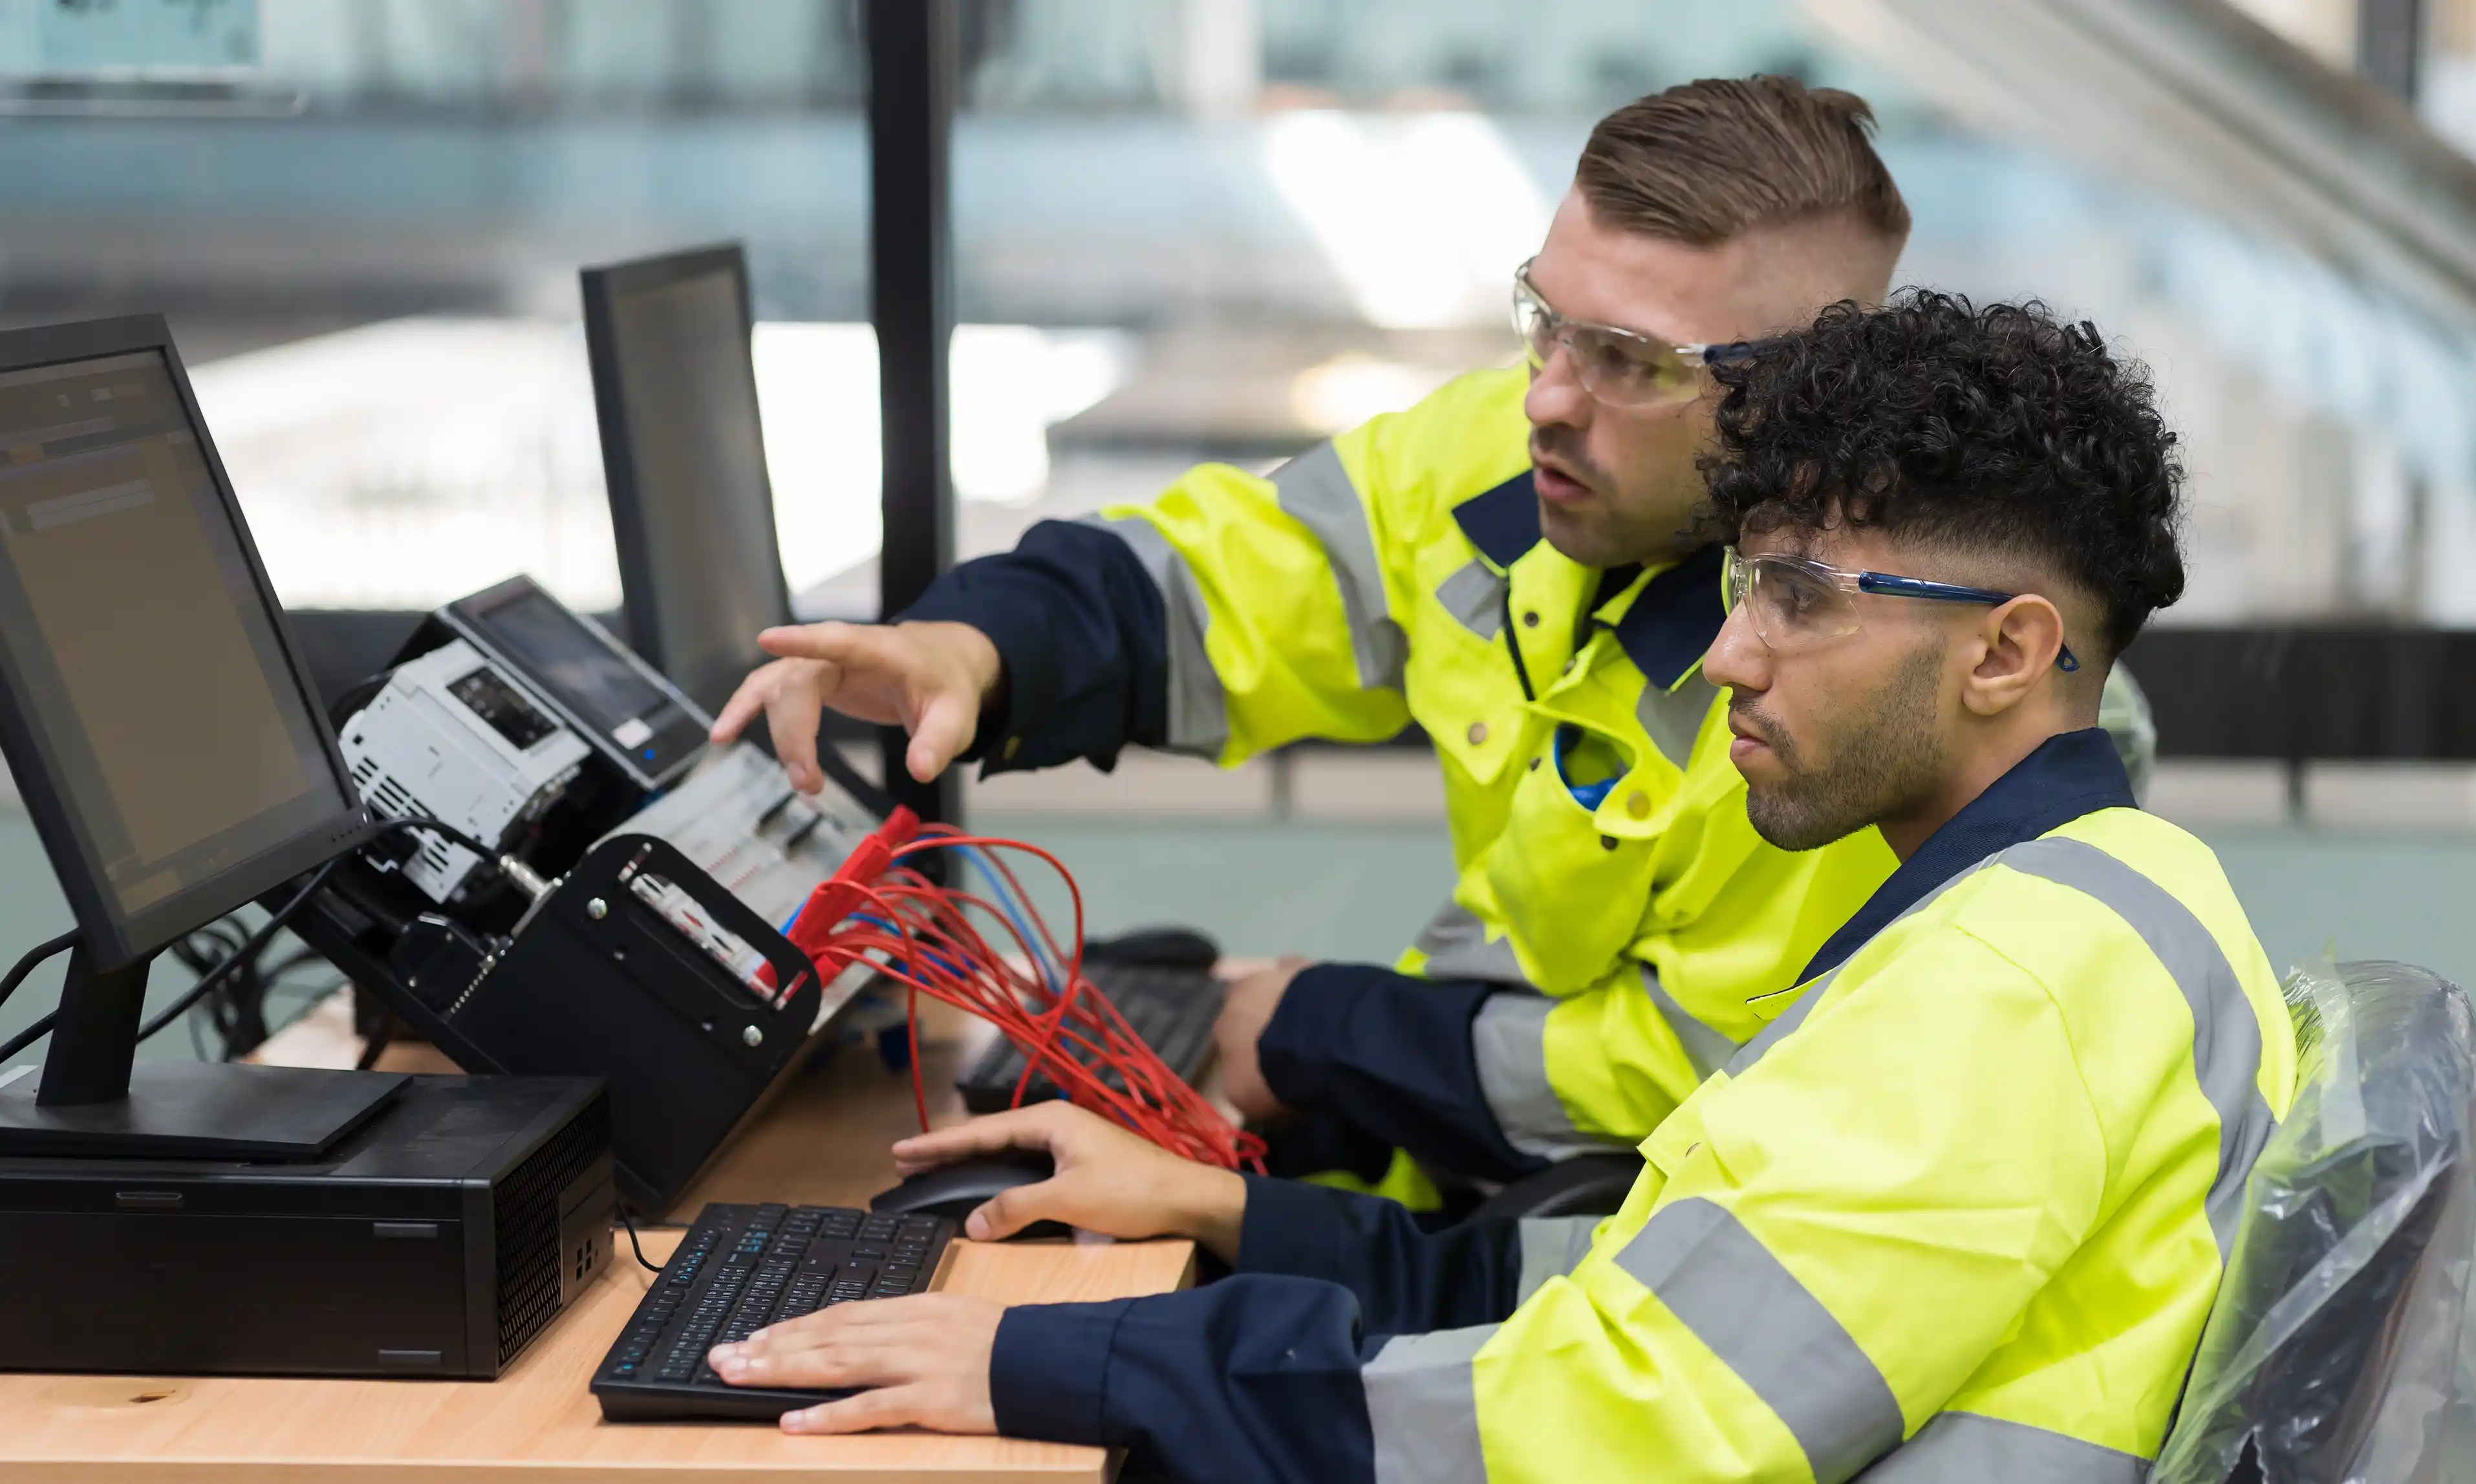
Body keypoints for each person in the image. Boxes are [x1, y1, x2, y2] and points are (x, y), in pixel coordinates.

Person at [706, 293, 2292, 1483]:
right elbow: (1648, 1314)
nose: (1730, 653)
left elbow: (1598, 1429)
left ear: (2008, 650)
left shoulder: (1996, 998)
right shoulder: (2090, 903)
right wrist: (1240, 1217)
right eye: (1746, 585)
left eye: (1801, 600)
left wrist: (1065, 1359)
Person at [713, 78, 2155, 1198]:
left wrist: (1310, 1032)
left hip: (1610, 1229)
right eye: (1545, 318)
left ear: (1798, 394)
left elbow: (1689, 1084)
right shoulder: (1519, 462)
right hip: (1477, 1149)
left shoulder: (1857, 695)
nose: (1544, 395)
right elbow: (1241, 582)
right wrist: (982, 646)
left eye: (1627, 361)